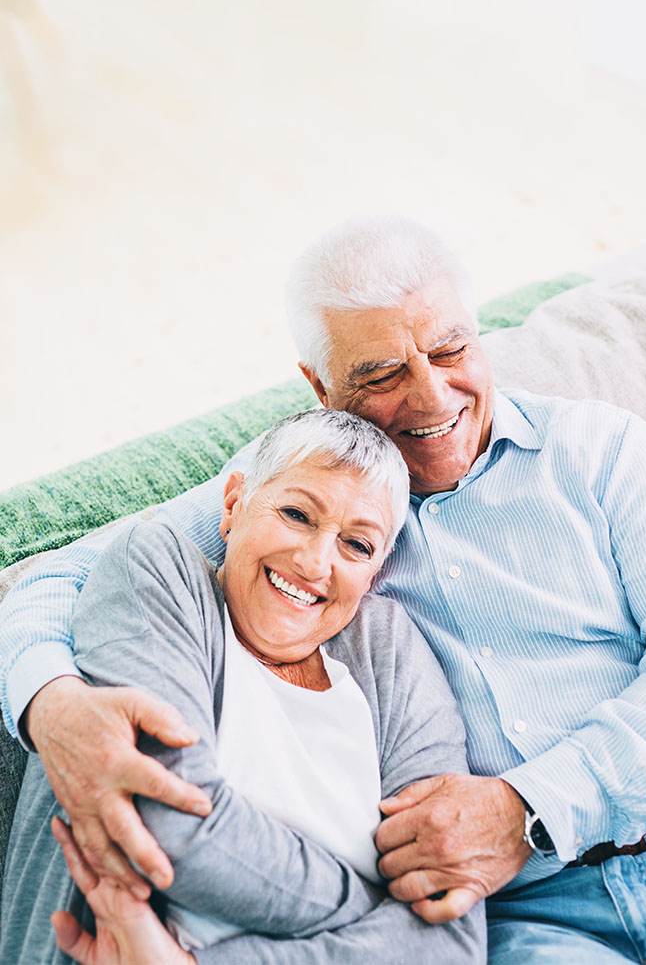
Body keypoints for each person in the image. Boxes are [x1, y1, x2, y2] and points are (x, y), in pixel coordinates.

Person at [2, 217, 646, 961]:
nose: (432, 399)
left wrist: (528, 809)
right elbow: (64, 575)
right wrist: (53, 703)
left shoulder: (601, 450)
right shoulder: (303, 492)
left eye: (449, 350)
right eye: (381, 376)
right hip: (526, 922)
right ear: (321, 385)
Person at [1, 408, 486, 964]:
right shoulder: (157, 568)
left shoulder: (387, 647)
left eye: (357, 545)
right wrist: (372, 904)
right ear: (233, 505)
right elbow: (173, 823)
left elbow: (451, 935)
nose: (314, 561)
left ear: (377, 569)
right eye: (297, 514)